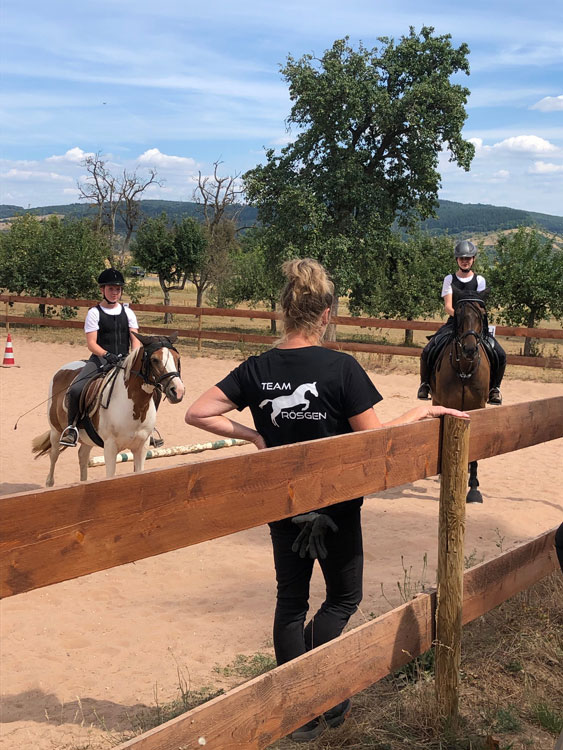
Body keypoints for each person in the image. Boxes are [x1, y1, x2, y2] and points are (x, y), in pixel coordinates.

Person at [185, 258, 469, 742]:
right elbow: (373, 440)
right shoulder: (342, 369)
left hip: (284, 505)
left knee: (290, 602)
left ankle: (302, 704)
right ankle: (314, 694)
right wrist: (418, 412)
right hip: (337, 508)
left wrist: (256, 437)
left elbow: (198, 411)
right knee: (344, 597)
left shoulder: (258, 369)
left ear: (284, 312)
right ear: (325, 314)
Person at [417, 240, 506, 405]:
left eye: (468, 258)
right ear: (457, 260)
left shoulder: (480, 280)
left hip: (476, 325)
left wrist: (473, 320)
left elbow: (480, 306)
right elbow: (448, 306)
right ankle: (425, 384)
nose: (465, 261)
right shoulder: (449, 279)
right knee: (429, 349)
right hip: (455, 322)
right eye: (462, 258)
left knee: (499, 353)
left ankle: (494, 388)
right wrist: (460, 317)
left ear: (473, 259)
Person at [59, 268, 141, 446]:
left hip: (126, 360)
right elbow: (92, 343)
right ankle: (71, 428)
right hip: (101, 359)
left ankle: (147, 429)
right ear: (102, 290)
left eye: (117, 289)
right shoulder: (94, 313)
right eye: (111, 289)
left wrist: (132, 357)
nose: (114, 293)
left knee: (148, 386)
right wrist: (107, 355)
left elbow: (135, 340)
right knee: (76, 389)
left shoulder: (128, 313)